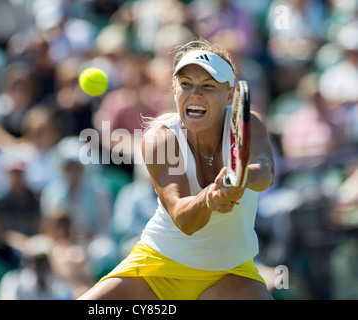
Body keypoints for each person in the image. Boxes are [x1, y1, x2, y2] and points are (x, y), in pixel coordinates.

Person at [78, 37, 275, 300]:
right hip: (157, 265)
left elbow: (265, 173)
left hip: (231, 274)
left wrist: (241, 177)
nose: (195, 93)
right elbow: (184, 219)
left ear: (230, 94)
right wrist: (212, 197)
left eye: (208, 86)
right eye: (186, 84)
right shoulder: (160, 138)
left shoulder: (249, 122)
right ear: (174, 90)